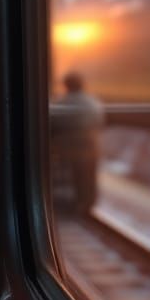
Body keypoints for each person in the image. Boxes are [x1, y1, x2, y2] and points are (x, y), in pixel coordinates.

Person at [49, 70, 105, 221]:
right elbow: (99, 122)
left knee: (73, 178)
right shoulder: (93, 103)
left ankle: (74, 206)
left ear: (66, 85)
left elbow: (52, 124)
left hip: (68, 150)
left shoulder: (61, 103)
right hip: (91, 147)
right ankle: (87, 205)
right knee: (88, 177)